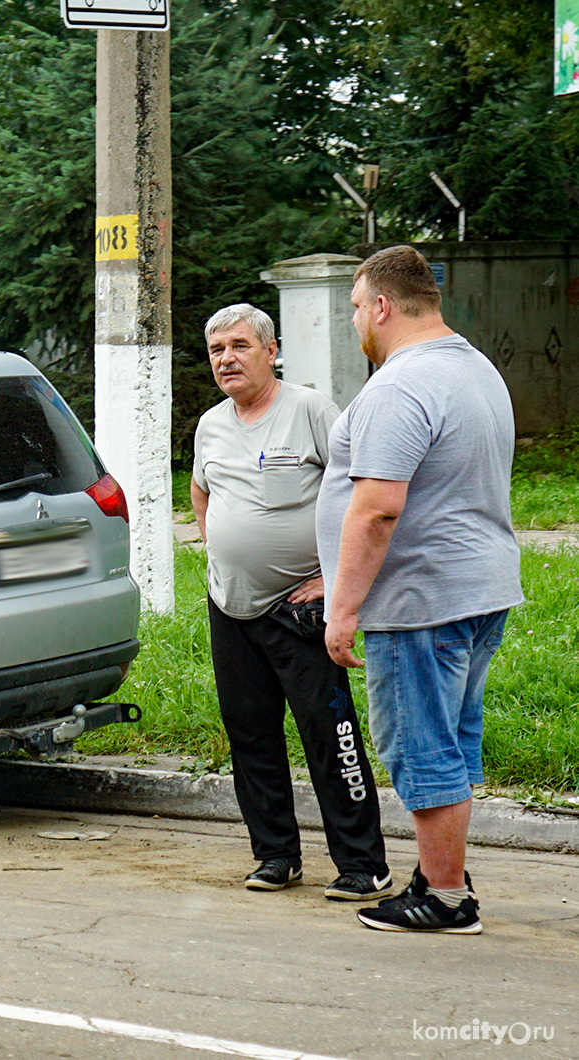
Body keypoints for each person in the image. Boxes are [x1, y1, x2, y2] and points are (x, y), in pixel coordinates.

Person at [319, 245, 523, 934]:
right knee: (453, 740)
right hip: (477, 587)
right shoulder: (473, 367)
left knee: (421, 744)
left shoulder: (401, 385)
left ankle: (443, 897)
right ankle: (444, 870)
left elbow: (377, 508)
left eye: (354, 308)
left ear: (381, 305)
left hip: (421, 600)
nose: (355, 323)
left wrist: (342, 610)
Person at [191, 304, 391, 902]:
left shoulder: (309, 410)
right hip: (230, 606)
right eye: (216, 350)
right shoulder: (211, 424)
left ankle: (363, 865)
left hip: (297, 609)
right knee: (249, 735)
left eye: (239, 346)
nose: (227, 359)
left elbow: (361, 493)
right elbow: (202, 491)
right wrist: (223, 551)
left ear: (271, 350)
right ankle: (275, 855)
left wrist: (334, 579)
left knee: (331, 736)